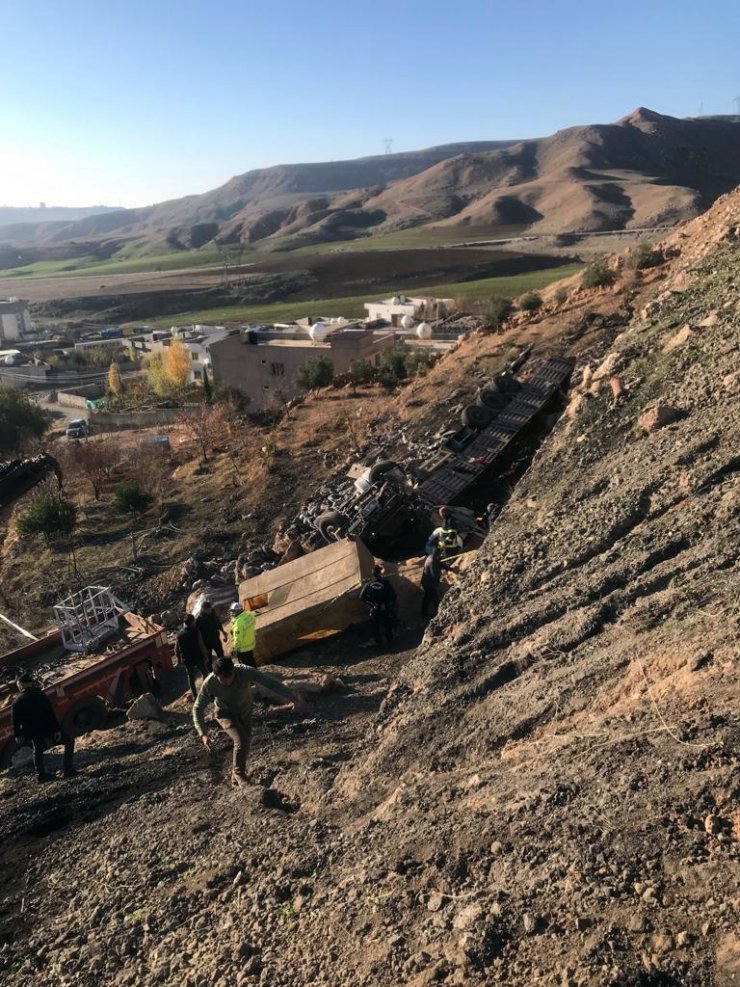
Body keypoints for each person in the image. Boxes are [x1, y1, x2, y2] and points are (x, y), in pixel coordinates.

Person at [193, 656, 308, 785]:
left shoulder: (245, 671)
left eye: (229, 679)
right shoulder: (210, 683)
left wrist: (291, 696)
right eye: (223, 682)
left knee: (245, 742)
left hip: (245, 712)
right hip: (225, 713)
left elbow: (270, 682)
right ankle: (239, 774)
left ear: (233, 671)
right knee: (241, 740)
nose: (227, 683)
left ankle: (234, 778)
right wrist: (203, 733)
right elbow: (197, 708)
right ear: (216, 675)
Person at [12, 672, 77, 782]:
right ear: (30, 683)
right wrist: (57, 730)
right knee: (69, 741)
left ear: (22, 685)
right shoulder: (40, 694)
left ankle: (41, 775)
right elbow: (50, 713)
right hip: (48, 730)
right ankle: (68, 770)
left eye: (19, 684)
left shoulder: (17, 701)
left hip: (33, 733)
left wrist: (18, 734)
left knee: (37, 751)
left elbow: (15, 720)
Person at [360, 565, 397, 647]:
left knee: (375, 627)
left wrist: (372, 604)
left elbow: (362, 597)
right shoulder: (386, 583)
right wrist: (385, 604)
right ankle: (390, 641)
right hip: (384, 609)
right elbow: (393, 596)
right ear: (380, 573)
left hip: (374, 610)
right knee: (387, 625)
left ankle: (378, 642)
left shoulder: (368, 585)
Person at [175, 613, 209, 700]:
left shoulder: (179, 634)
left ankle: (194, 695)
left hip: (187, 659)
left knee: (190, 677)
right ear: (191, 622)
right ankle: (205, 691)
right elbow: (201, 645)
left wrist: (178, 659)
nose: (195, 622)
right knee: (205, 673)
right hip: (197, 657)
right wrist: (206, 655)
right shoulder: (196, 631)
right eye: (194, 621)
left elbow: (176, 649)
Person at [195, 599, 228, 671]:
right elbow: (197, 632)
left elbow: (218, 623)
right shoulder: (199, 619)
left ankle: (224, 668)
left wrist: (223, 631)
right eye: (208, 610)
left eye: (210, 609)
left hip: (215, 638)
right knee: (208, 658)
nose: (209, 611)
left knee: (221, 655)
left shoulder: (213, 613)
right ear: (203, 609)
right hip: (206, 642)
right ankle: (211, 672)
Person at [420, 548, 449, 618]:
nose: (442, 554)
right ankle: (436, 614)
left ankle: (424, 612)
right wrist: (439, 582)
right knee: (434, 598)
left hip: (426, 582)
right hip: (429, 584)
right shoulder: (432, 561)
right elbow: (434, 575)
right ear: (437, 554)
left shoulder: (431, 557)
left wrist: (449, 568)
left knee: (427, 597)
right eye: (440, 553)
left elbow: (439, 563)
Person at [230, 602, 257, 668]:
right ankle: (256, 672)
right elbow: (253, 614)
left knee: (246, 665)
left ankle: (251, 676)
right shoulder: (249, 615)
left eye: (232, 611)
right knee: (251, 661)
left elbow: (238, 639)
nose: (231, 613)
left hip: (243, 648)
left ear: (236, 611)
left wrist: (234, 649)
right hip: (251, 644)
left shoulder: (238, 623)